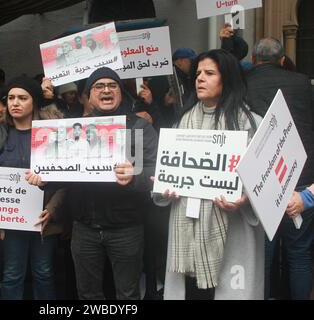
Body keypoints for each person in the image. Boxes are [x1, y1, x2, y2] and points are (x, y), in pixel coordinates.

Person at [153, 49, 263, 300]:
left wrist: (245, 198)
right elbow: (169, 169)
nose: (200, 78)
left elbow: (265, 184)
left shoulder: (250, 123)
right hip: (186, 229)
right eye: (198, 73)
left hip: (231, 230)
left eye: (209, 73)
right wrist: (164, 185)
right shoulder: (181, 123)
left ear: (228, 79)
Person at [61, 67, 158, 300]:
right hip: (84, 229)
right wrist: (43, 179)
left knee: (128, 294)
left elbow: (157, 172)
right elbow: (60, 170)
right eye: (99, 86)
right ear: (88, 95)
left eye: (112, 85)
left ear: (121, 93)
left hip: (126, 229)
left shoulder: (138, 127)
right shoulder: (73, 130)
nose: (106, 90)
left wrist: (134, 177)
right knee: (88, 294)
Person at [0, 76, 66, 300]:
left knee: (44, 273)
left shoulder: (52, 133)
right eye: (11, 98)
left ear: (34, 101)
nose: (15, 103)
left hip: (44, 220)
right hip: (10, 222)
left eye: (22, 98)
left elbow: (68, 179)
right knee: (12, 274)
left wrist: (52, 210)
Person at [246, 38, 314, 300]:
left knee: (262, 257)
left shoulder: (244, 85)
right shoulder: (303, 84)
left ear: (253, 60)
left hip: (261, 185)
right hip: (301, 181)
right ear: (283, 60)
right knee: (300, 255)